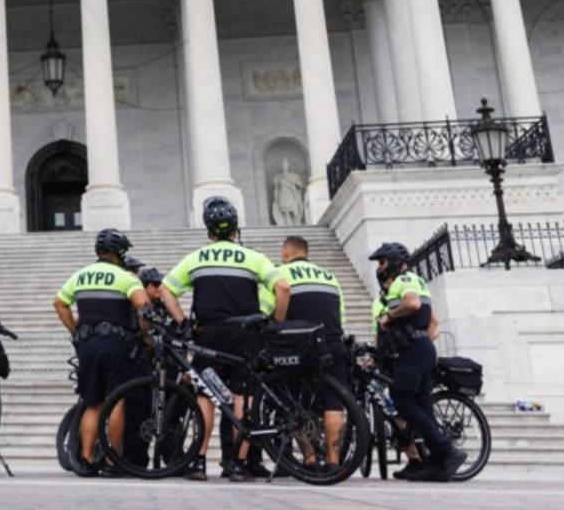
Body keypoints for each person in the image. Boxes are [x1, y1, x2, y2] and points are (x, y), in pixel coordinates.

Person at [160, 197, 280, 482]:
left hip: (209, 335)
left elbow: (165, 290)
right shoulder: (253, 256)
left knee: (206, 397)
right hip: (246, 334)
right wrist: (275, 321)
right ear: (236, 229)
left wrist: (182, 322)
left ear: (210, 232)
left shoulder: (197, 257)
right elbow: (283, 286)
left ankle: (199, 461)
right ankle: (237, 464)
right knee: (242, 398)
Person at [53, 228, 149, 476]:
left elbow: (59, 303)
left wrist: (75, 329)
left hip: (87, 344)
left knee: (93, 402)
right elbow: (143, 306)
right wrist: (147, 334)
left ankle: (85, 458)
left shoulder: (81, 275)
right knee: (116, 401)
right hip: (115, 344)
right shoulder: (126, 277)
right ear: (120, 253)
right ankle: (111, 460)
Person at [370, 242, 466, 482]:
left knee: (401, 400)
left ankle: (447, 450)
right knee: (423, 408)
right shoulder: (410, 283)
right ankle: (436, 463)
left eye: (382, 262)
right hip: (418, 349)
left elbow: (412, 304)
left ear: (392, 262)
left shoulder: (405, 280)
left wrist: (390, 318)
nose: (379, 268)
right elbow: (433, 321)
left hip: (414, 350)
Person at [272, 235, 347, 470]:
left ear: (286, 253)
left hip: (299, 347)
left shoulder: (281, 274)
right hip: (332, 343)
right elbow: (341, 314)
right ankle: (334, 461)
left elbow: (271, 309)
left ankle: (310, 459)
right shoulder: (330, 277)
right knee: (334, 404)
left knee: (296, 405)